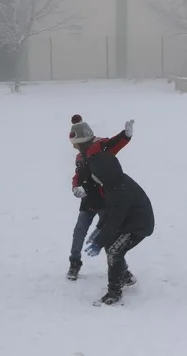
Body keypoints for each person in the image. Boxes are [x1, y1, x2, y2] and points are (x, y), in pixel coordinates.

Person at [72, 125, 154, 306]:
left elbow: (115, 219)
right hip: (127, 222)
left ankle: (114, 293)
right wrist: (100, 231)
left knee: (114, 251)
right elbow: (109, 215)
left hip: (139, 225)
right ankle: (123, 275)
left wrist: (100, 239)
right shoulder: (112, 185)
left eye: (96, 176)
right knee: (111, 245)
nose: (94, 179)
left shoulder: (120, 190)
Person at [66, 114, 133, 281]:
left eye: (76, 144)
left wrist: (125, 135)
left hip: (105, 200)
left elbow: (114, 143)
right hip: (88, 201)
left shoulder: (100, 147)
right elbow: (78, 175)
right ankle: (74, 263)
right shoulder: (80, 157)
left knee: (108, 236)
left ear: (84, 139)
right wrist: (76, 187)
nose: (74, 148)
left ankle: (123, 270)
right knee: (79, 232)